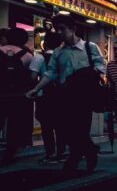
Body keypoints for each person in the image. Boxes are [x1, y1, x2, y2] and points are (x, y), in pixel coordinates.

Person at [27, 15, 106, 172]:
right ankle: (89, 150)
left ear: (73, 29)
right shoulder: (58, 52)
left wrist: (84, 75)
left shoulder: (90, 48)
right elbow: (51, 73)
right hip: (65, 95)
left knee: (81, 129)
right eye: (58, 29)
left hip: (84, 95)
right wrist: (36, 88)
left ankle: (75, 158)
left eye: (63, 29)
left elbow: (101, 67)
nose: (60, 32)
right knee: (66, 129)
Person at [30, 30, 66, 163]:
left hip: (44, 97)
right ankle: (61, 152)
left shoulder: (38, 58)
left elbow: (32, 77)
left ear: (44, 44)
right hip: (62, 97)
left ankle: (50, 153)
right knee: (61, 126)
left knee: (46, 127)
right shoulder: (64, 57)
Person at [0, 27, 34, 165]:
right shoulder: (28, 55)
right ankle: (9, 154)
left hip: (1, 94)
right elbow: (32, 76)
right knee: (15, 126)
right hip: (19, 96)